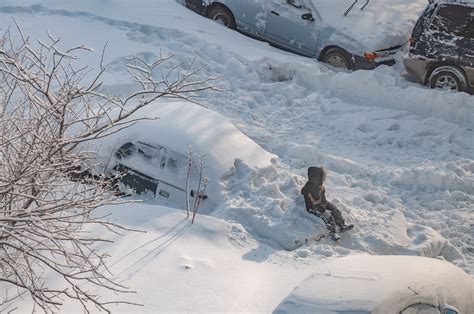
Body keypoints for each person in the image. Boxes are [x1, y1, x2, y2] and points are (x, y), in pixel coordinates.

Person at [301, 166, 353, 241]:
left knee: (335, 210)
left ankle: (341, 225)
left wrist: (326, 204)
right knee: (328, 217)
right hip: (313, 207)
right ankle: (333, 233)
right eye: (322, 177)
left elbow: (322, 198)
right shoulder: (310, 188)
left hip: (322, 203)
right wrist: (323, 208)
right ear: (316, 177)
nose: (323, 178)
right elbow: (313, 200)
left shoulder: (318, 186)